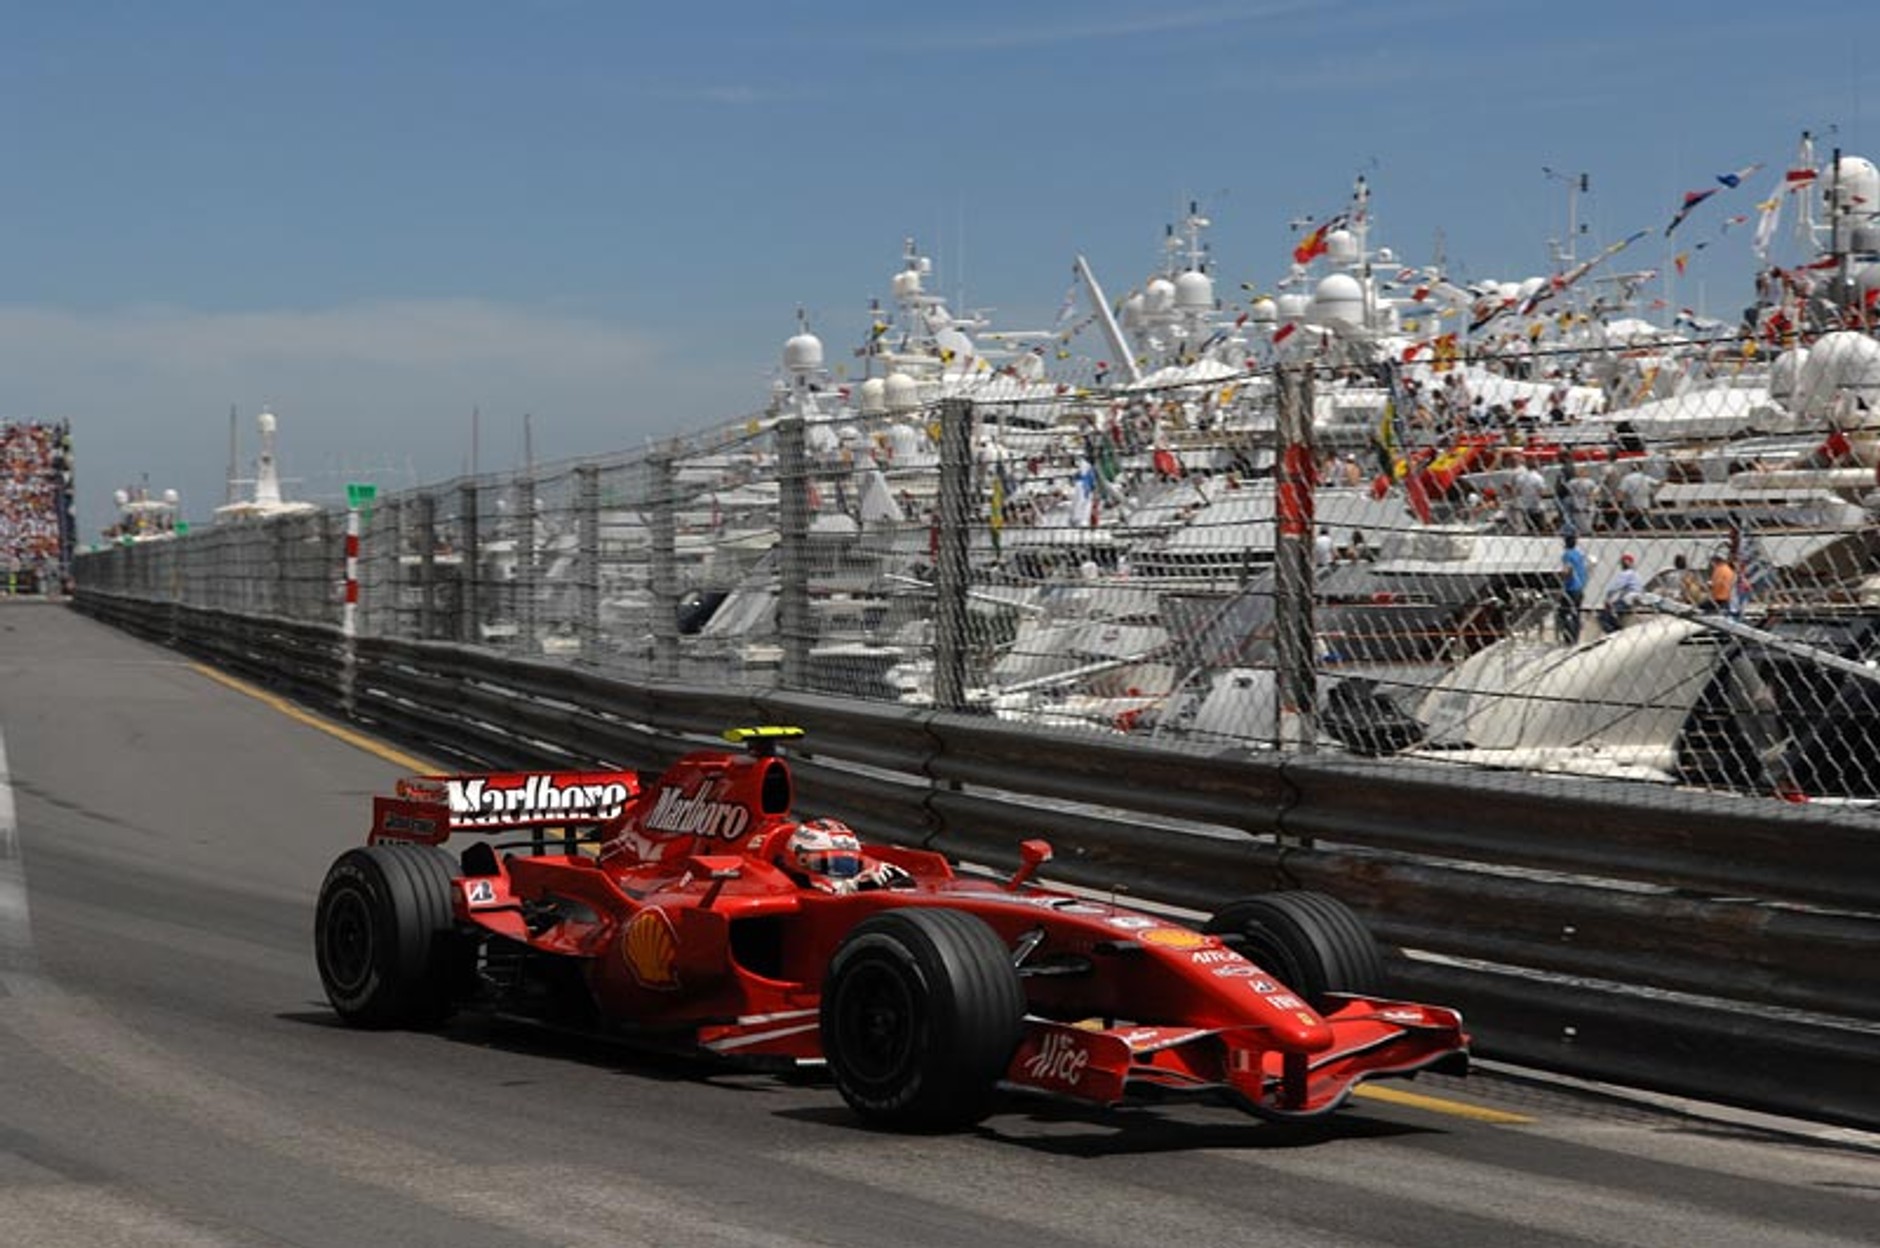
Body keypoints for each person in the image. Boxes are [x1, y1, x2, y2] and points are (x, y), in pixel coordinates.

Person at [778, 818, 911, 895]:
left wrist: (893, 877)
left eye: (849, 864)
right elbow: (830, 890)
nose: (842, 871)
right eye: (834, 864)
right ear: (802, 860)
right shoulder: (781, 885)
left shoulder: (865, 869)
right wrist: (856, 887)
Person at [1599, 552, 1644, 633]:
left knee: (1604, 615)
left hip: (1629, 598)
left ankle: (1614, 631)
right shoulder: (1636, 574)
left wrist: (1607, 598)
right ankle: (1617, 627)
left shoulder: (1625, 574)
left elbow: (1615, 587)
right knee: (1616, 606)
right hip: (1637, 598)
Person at [1558, 533, 1588, 644]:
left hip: (1570, 588)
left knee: (1563, 613)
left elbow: (1568, 569)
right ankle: (1575, 638)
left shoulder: (1567, 554)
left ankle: (1568, 638)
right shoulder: (1579, 555)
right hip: (1580, 588)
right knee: (1576, 614)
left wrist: (1561, 577)